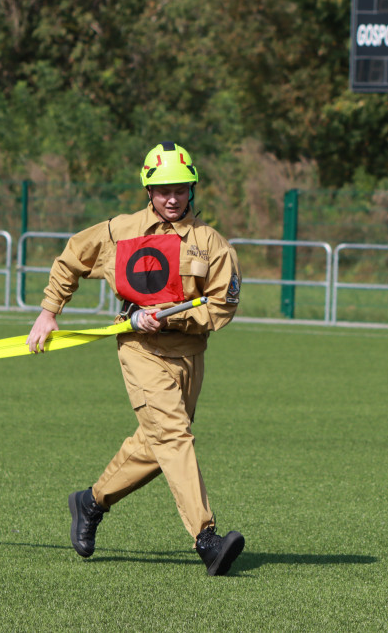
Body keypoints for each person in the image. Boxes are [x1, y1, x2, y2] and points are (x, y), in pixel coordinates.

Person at [26, 142, 245, 576]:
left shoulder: (210, 243)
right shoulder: (120, 231)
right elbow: (72, 257)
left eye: (180, 189)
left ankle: (90, 502)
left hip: (189, 354)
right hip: (139, 351)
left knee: (156, 443)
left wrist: (170, 321)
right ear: (148, 190)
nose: (171, 198)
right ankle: (206, 538)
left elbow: (223, 304)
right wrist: (49, 312)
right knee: (175, 436)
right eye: (162, 189)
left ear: (192, 190)